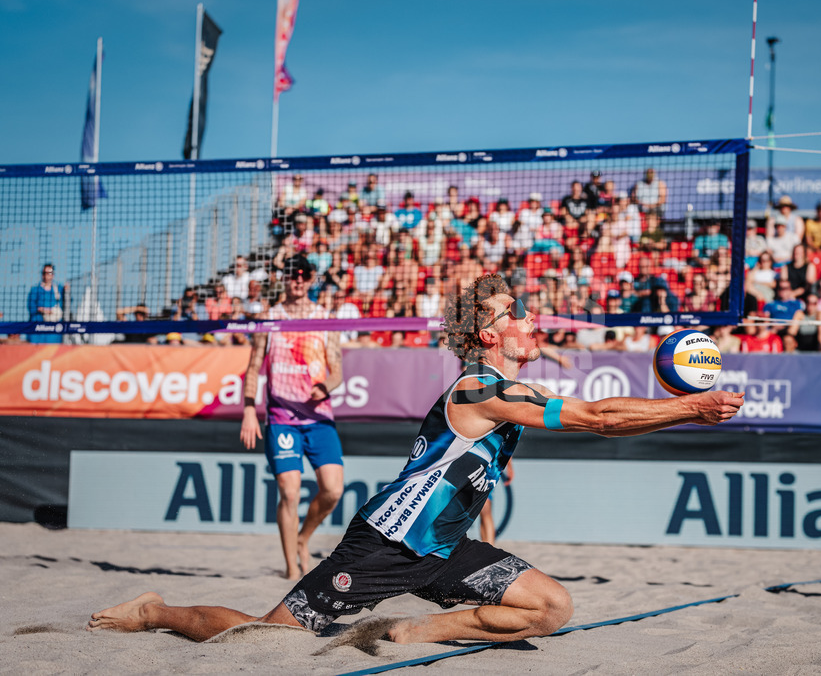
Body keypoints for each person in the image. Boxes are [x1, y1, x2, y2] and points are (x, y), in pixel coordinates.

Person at [89, 273, 744, 645]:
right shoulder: (479, 386)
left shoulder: (513, 389)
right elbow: (599, 419)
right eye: (513, 313)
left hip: (445, 546)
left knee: (552, 608)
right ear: (489, 334)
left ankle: (409, 630)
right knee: (271, 638)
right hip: (387, 544)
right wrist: (694, 407)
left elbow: (592, 419)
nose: (528, 319)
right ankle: (156, 610)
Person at [239, 256, 345, 580]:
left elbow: (338, 370)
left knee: (333, 490)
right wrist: (248, 410)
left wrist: (325, 386)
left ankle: (303, 538)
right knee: (289, 491)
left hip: (317, 415)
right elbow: (254, 367)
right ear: (284, 279)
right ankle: (290, 568)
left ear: (312, 278)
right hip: (282, 416)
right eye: (292, 275)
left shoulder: (324, 318)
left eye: (303, 275)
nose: (297, 280)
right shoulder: (269, 318)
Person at [478, 459, 513, 545]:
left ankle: (490, 546)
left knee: (485, 507)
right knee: (481, 509)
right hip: (479, 461)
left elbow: (508, 445)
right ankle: (485, 546)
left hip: (489, 464)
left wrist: (509, 466)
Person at [27, 263, 63, 344]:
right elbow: (31, 307)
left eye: (49, 273)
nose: (46, 275)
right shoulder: (35, 290)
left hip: (54, 332)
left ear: (53, 275)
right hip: (37, 329)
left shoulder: (59, 289)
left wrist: (67, 291)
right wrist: (43, 310)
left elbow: (65, 305)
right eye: (44, 273)